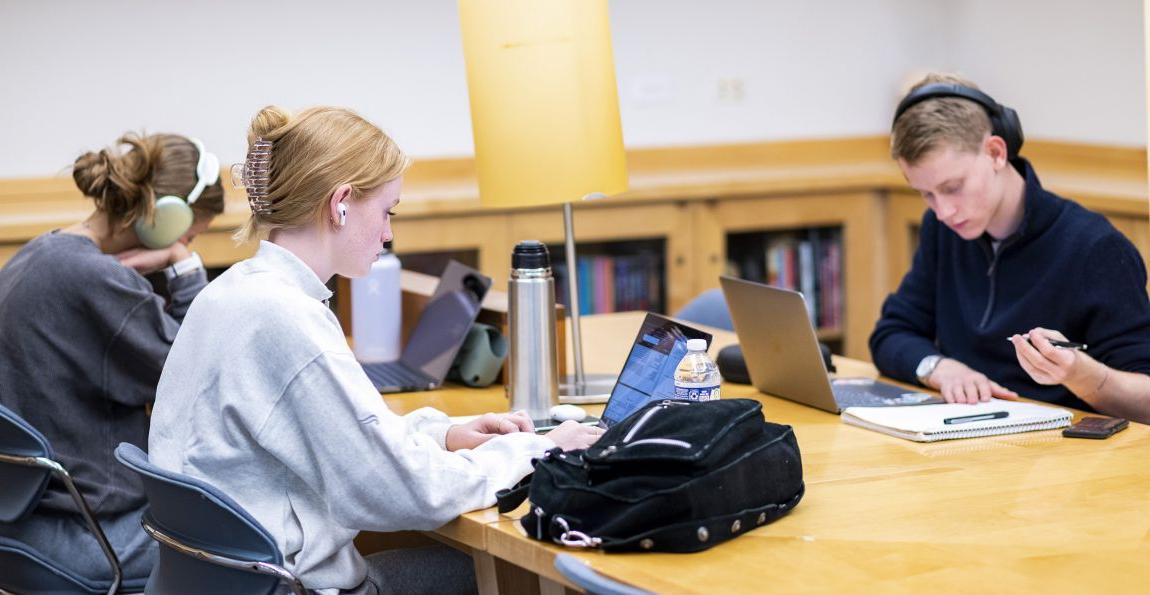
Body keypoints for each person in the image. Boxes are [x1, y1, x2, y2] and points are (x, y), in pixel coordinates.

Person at [147, 105, 604, 595]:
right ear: (340, 202)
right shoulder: (285, 317)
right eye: (387, 211)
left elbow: (346, 436)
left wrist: (445, 434)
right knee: (529, 575)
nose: (388, 233)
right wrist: (540, 450)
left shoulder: (233, 292)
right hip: (289, 587)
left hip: (222, 582)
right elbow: (406, 492)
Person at [0, 132, 224, 584]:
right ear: (165, 219)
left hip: (22, 528)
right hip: (94, 535)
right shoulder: (96, 280)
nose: (184, 241)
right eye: (189, 233)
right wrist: (184, 267)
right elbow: (199, 369)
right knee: (267, 537)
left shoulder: (37, 255)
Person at [870, 73, 1150, 423]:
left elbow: (1146, 400)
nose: (943, 212)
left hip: (1062, 461)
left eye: (953, 187)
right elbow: (891, 333)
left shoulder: (1096, 248)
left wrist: (1082, 375)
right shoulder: (944, 231)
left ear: (996, 153)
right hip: (961, 444)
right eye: (926, 194)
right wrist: (941, 368)